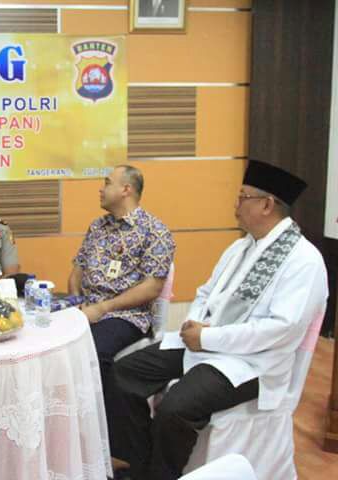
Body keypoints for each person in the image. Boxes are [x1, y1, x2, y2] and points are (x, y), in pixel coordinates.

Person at [111, 160, 328, 480]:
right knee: (123, 374)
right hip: (205, 343)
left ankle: (159, 475)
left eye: (243, 197)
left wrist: (209, 337)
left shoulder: (304, 261)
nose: (235, 205)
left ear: (267, 205)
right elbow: (206, 293)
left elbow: (281, 329)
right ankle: (139, 463)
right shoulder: (240, 247)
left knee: (176, 407)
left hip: (252, 362)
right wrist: (195, 324)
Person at [67, 164, 175, 468]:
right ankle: (75, 429)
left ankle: (113, 444)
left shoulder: (154, 231)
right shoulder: (97, 227)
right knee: (55, 343)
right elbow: (77, 271)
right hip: (87, 309)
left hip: (126, 315)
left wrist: (102, 308)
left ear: (126, 189)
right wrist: (77, 301)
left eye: (107, 182)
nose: (100, 189)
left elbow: (152, 287)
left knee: (92, 352)